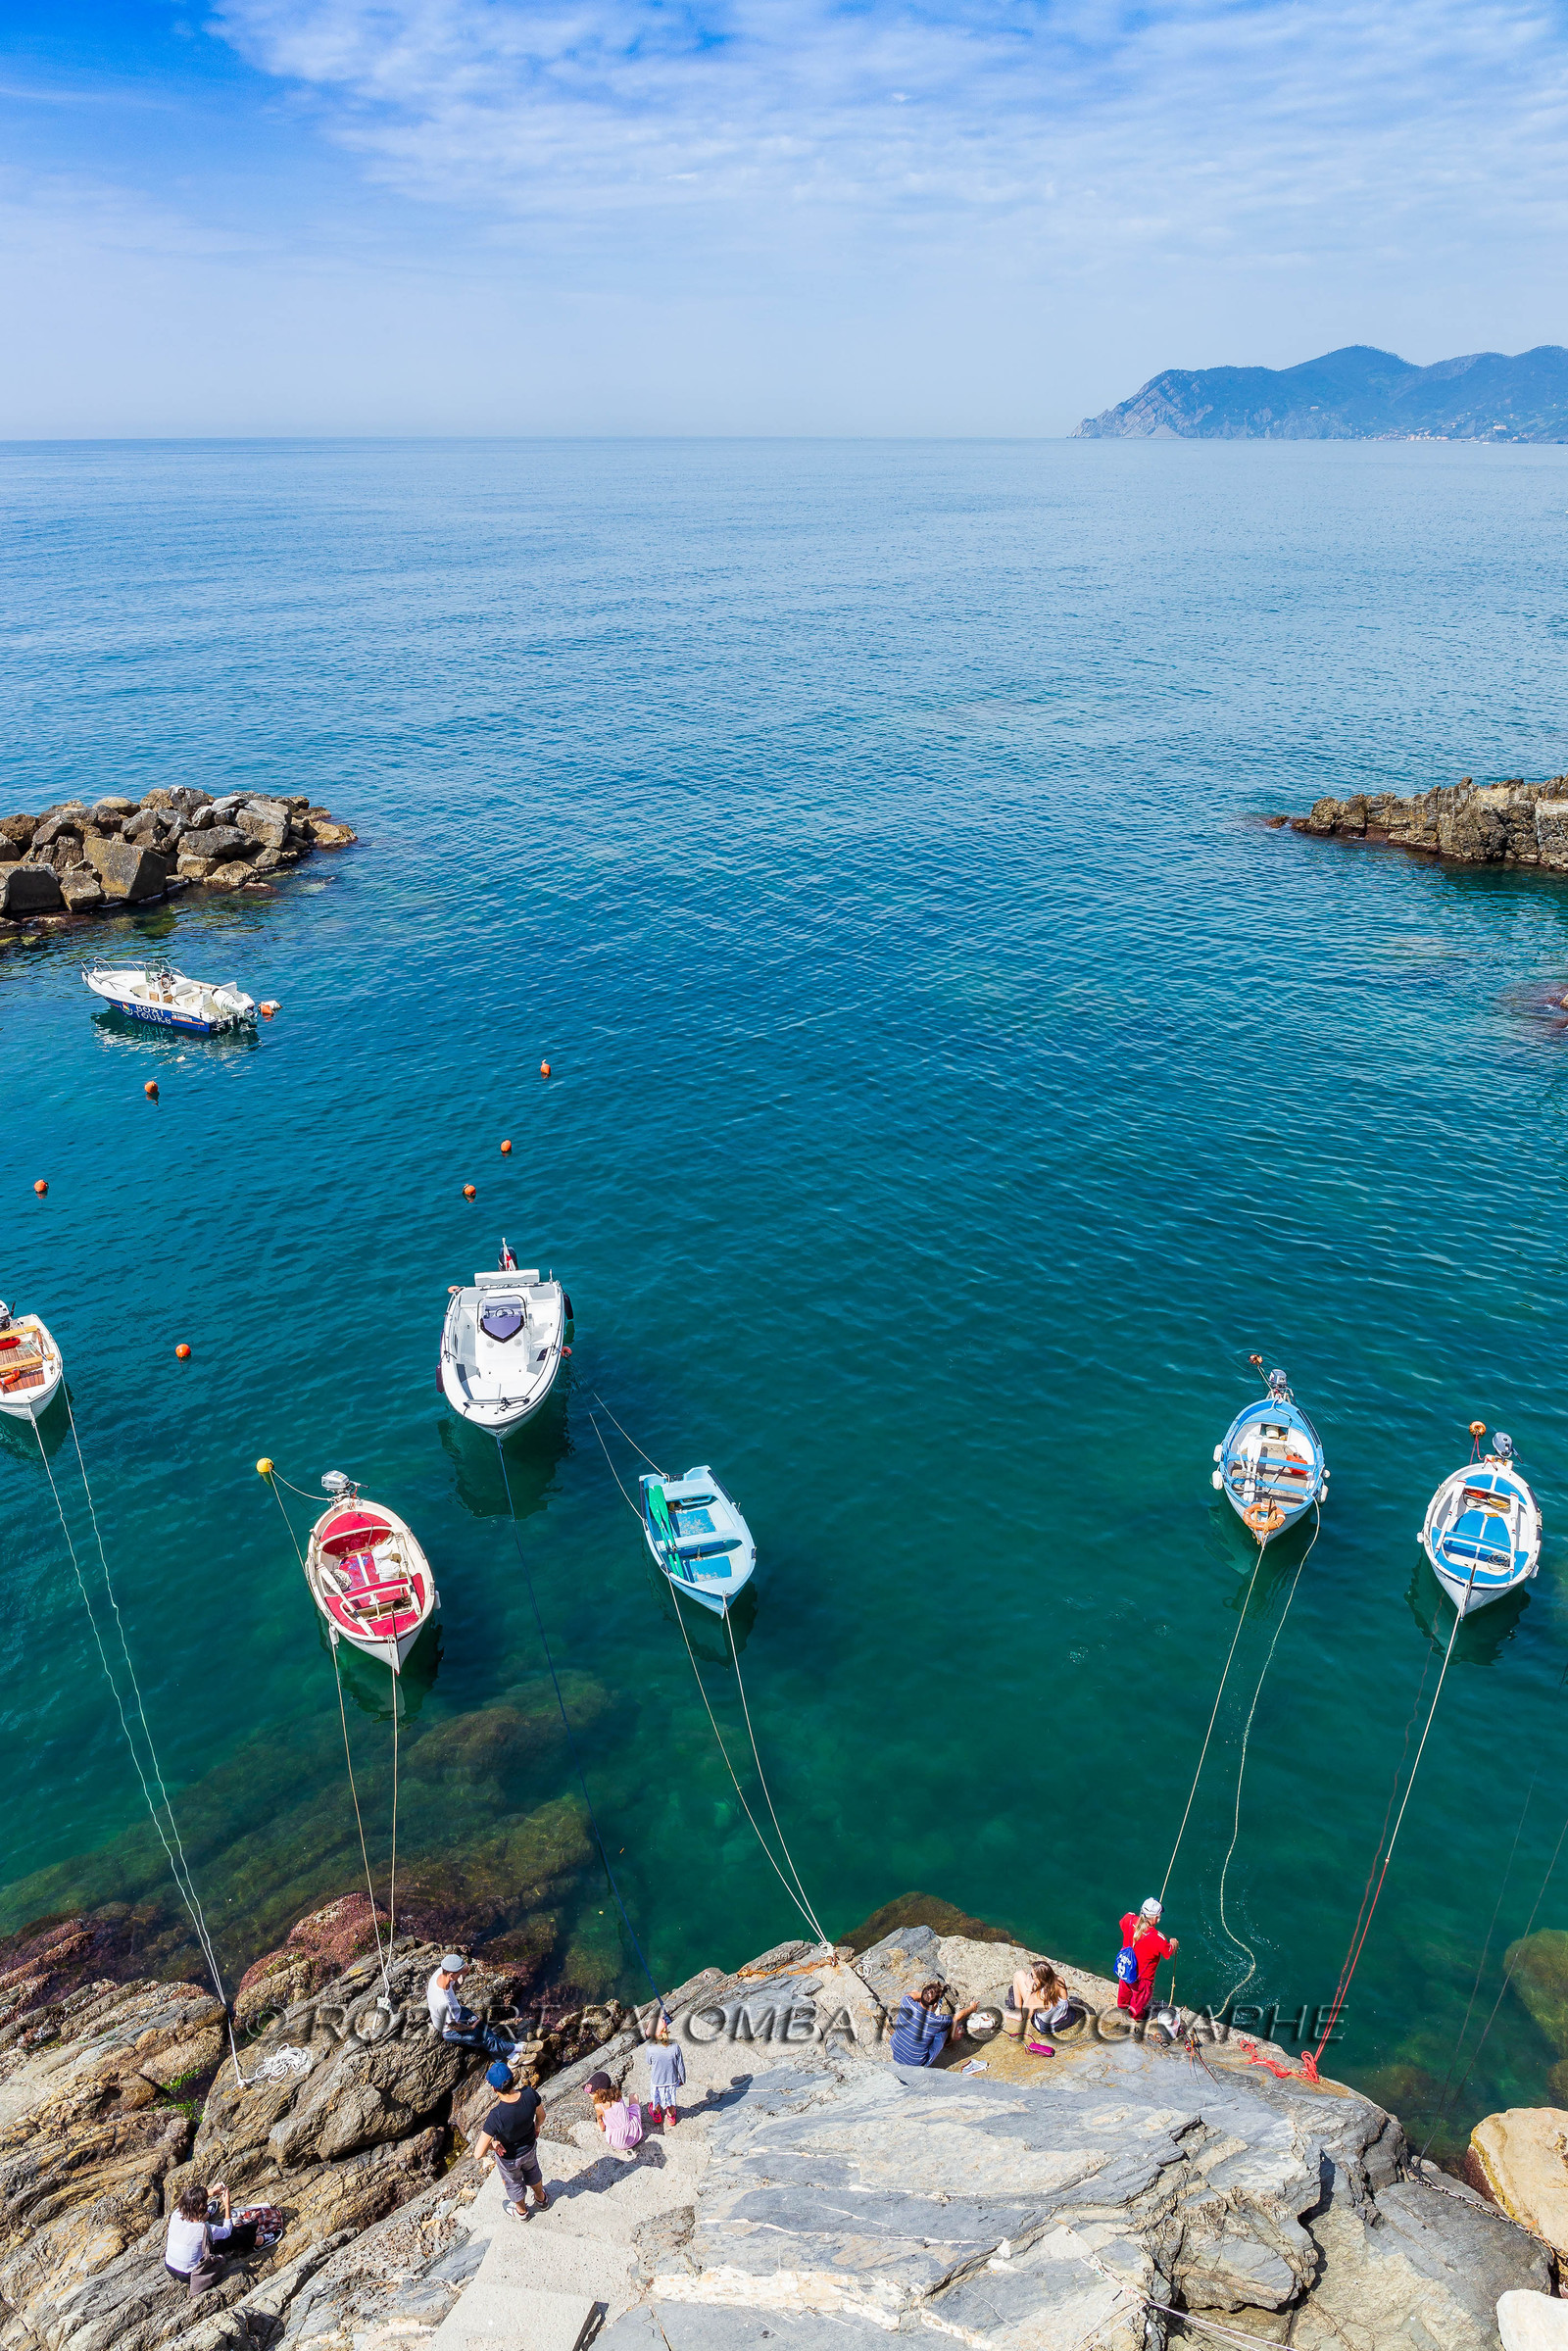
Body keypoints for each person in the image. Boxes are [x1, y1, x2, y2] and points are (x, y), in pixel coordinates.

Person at [471, 2060, 550, 2222]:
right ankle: (541, 2199)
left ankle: (522, 2212)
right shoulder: (529, 2093)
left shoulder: (496, 2115)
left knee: (513, 2182)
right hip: (529, 2148)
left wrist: (493, 2145)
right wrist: (536, 2127)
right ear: (513, 2079)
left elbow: (478, 2154)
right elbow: (541, 2116)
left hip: (509, 2158)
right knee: (533, 2171)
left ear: (494, 2088)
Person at [164, 2180, 258, 2297]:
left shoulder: (176, 2214)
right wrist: (227, 2205)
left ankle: (207, 2214)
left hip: (169, 2265)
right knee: (233, 2235)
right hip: (188, 2274)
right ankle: (257, 2240)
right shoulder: (203, 2229)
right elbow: (227, 2231)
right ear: (201, 2209)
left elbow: (189, 2201)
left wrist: (211, 2192)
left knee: (197, 2236)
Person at [426, 1955, 513, 2057]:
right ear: (451, 1975)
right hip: (450, 2031)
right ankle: (514, 2050)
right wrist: (470, 2027)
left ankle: (501, 2049)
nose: (460, 1974)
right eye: (459, 1973)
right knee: (482, 2038)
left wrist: (463, 1974)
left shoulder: (441, 1972)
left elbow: (454, 1987)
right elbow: (453, 2026)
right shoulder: (443, 2002)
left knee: (483, 2028)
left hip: (457, 2011)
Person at [889, 1981, 977, 2068]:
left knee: (914, 1992)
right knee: (945, 2029)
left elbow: (912, 1994)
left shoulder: (906, 2002)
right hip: (916, 2064)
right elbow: (957, 2017)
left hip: (896, 2051)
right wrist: (973, 2008)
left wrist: (928, 1995)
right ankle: (949, 2041)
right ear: (935, 2005)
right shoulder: (936, 2021)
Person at [1115, 1898, 1177, 2022]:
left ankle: (1122, 2006)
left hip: (1125, 1967)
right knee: (1139, 1998)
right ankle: (1136, 2015)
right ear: (1155, 1918)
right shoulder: (1158, 1938)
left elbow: (1123, 1922)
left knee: (1124, 1988)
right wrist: (1174, 1944)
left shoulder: (1129, 1919)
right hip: (1141, 1978)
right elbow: (1168, 1952)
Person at [1005, 1959, 1068, 2037]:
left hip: (1047, 2026)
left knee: (1019, 1974)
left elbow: (1026, 2016)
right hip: (1063, 2020)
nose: (1030, 1976)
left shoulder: (1038, 1996)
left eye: (1032, 1975)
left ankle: (1017, 2013)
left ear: (1040, 1979)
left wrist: (1029, 1989)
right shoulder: (1060, 1980)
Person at [587, 2069, 644, 2155]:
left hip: (618, 2142)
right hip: (635, 2134)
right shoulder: (617, 2096)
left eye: (591, 2093)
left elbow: (601, 2125)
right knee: (633, 2096)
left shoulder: (599, 2106)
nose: (589, 2095)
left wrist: (600, 2125)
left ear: (599, 2093)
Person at [644, 2010, 686, 2128]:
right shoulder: (675, 2047)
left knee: (656, 2098)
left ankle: (657, 2115)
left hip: (657, 2081)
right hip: (671, 2080)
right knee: (671, 2100)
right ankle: (671, 2117)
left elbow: (648, 2062)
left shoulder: (651, 2049)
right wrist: (682, 2079)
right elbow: (680, 2066)